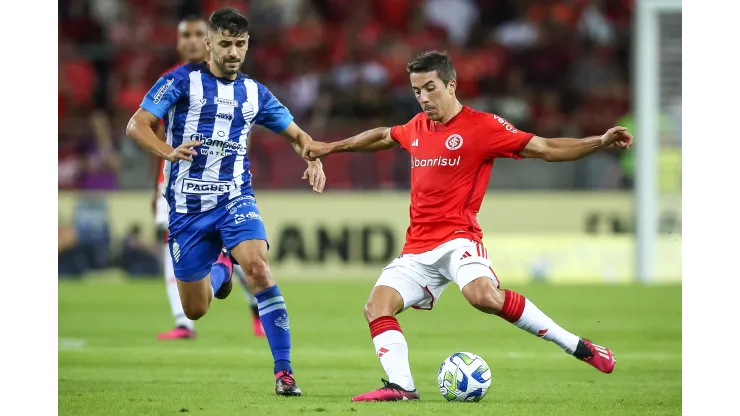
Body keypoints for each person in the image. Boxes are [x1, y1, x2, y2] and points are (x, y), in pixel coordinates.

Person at [303, 51, 631, 402]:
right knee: (376, 306)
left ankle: (579, 347)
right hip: (417, 248)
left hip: (458, 238)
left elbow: (547, 148)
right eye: (417, 91)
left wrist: (599, 141)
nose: (424, 98)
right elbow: (384, 136)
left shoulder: (484, 127)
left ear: (451, 85)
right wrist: (330, 147)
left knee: (482, 296)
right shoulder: (417, 127)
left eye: (430, 88)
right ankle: (402, 388)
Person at [127, 8, 325, 396]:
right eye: (225, 44)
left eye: (239, 44)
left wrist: (312, 156)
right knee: (195, 309)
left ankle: (284, 373)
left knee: (258, 269)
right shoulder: (180, 81)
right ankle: (220, 265)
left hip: (235, 197)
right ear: (208, 44)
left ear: (247, 45)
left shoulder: (255, 93)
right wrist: (167, 152)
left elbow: (299, 135)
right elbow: (137, 124)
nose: (233, 52)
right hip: (186, 208)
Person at [152, 16, 265, 341]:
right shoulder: (172, 81)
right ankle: (184, 321)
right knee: (173, 247)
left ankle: (253, 305)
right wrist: (156, 184)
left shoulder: (234, 82)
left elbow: (243, 133)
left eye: (198, 34)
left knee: (241, 250)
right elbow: (158, 135)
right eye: (184, 34)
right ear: (178, 42)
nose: (191, 40)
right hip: (176, 182)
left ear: (208, 41)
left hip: (222, 183)